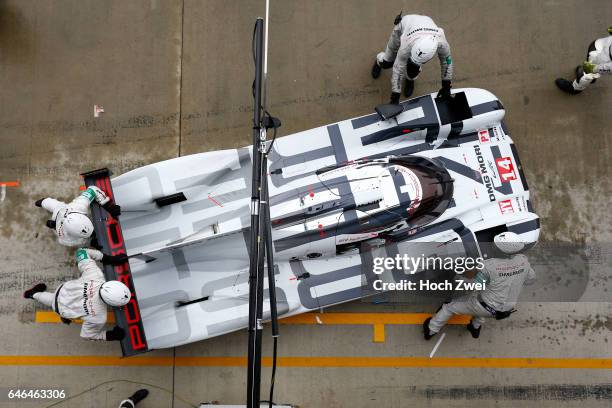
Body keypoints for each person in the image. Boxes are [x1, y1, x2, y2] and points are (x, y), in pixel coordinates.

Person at [423, 232, 536, 340]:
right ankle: (474, 328)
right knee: (483, 306)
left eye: (494, 245)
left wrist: (458, 277)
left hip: (485, 306)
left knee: (449, 307)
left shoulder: (489, 266)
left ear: (502, 251)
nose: (492, 245)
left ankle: (431, 329)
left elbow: (475, 286)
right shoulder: (523, 261)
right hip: (506, 308)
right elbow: (530, 280)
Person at [23, 248, 130, 341]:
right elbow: (87, 336)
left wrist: (109, 259)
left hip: (62, 291)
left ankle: (32, 294)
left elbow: (81, 252)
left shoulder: (96, 275)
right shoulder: (99, 317)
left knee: (53, 299)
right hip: (63, 311)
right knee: (53, 301)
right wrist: (111, 335)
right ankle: (33, 295)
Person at [371, 13, 454, 104]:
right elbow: (398, 69)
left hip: (426, 22)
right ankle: (379, 61)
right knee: (387, 63)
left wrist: (446, 86)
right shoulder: (406, 47)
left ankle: (410, 79)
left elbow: (447, 62)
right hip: (404, 25)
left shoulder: (442, 43)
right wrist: (395, 95)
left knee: (413, 71)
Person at [35, 186, 121, 247]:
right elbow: (65, 241)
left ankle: (43, 201)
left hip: (65, 209)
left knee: (52, 204)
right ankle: (45, 205)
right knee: (54, 206)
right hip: (57, 216)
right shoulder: (65, 237)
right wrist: (54, 226)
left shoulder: (78, 206)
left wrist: (109, 206)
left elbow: (92, 189)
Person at [555, 26, 612, 95]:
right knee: (589, 67)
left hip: (605, 59)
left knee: (586, 73)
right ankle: (591, 77)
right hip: (605, 46)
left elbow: (609, 68)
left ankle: (576, 88)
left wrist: (594, 69)